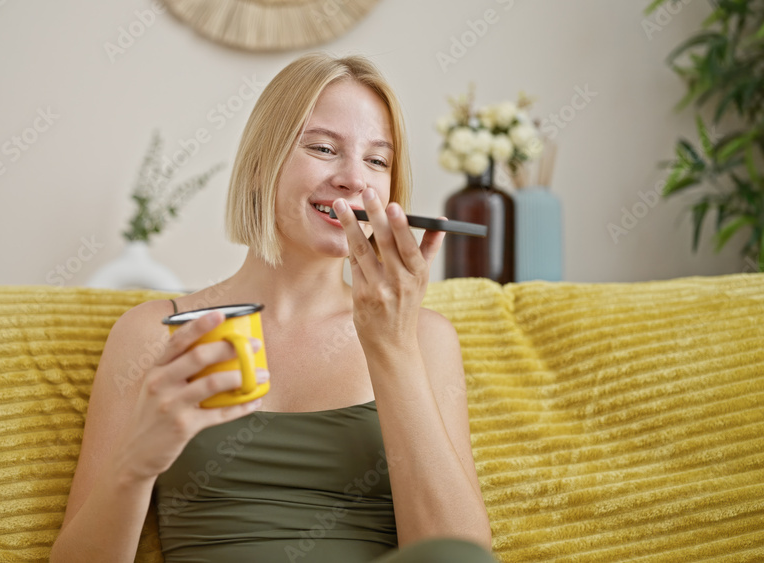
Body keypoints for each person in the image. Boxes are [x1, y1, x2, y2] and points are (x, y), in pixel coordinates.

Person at [50, 52, 495, 563]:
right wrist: (135, 465)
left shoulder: (425, 339)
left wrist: (391, 347)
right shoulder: (157, 332)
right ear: (262, 164)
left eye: (377, 160)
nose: (354, 179)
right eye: (324, 148)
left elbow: (460, 555)